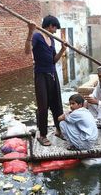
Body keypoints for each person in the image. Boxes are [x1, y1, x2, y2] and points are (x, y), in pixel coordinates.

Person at [25, 15, 67, 146]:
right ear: (50, 26)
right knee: (43, 105)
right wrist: (30, 31)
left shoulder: (52, 40)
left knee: (57, 104)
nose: (55, 31)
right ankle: (42, 135)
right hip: (41, 75)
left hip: (52, 75)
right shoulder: (37, 36)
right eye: (55, 28)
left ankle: (59, 130)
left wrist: (62, 49)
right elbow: (27, 51)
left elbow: (53, 60)